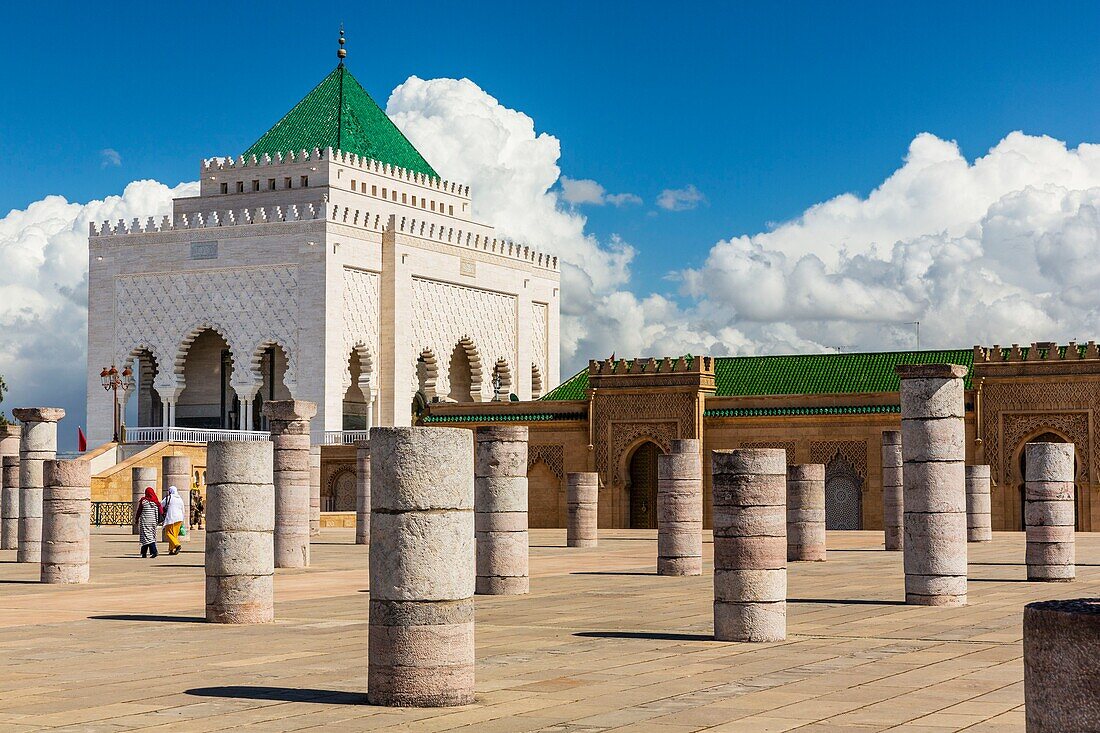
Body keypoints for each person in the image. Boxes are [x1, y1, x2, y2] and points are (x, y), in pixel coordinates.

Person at [134, 487, 162, 558]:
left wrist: (136, 519)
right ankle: (144, 553)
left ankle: (154, 551)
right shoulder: (156, 502)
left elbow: (139, 511)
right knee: (147, 536)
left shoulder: (143, 501)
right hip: (153, 522)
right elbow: (161, 511)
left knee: (147, 536)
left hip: (145, 522)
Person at [161, 485, 185, 555]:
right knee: (174, 535)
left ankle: (177, 545)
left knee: (168, 533)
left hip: (171, 518)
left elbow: (161, 505)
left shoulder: (169, 498)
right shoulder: (180, 499)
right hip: (179, 518)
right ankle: (171, 550)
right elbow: (183, 509)